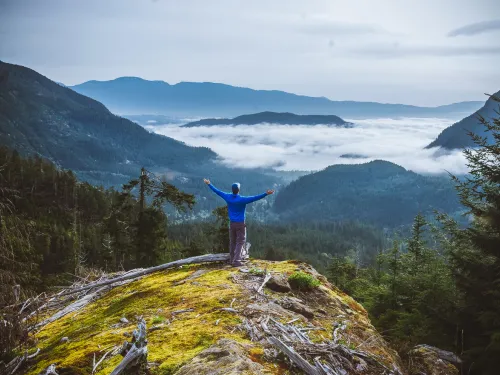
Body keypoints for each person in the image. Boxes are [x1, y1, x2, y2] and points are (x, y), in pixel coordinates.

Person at [204, 178, 274, 267]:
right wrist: (266, 194)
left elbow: (218, 191)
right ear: (239, 190)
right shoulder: (242, 199)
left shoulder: (227, 197)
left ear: (232, 190)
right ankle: (236, 261)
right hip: (240, 223)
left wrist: (209, 184)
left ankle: (232, 259)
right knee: (240, 241)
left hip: (232, 223)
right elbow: (254, 198)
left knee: (232, 241)